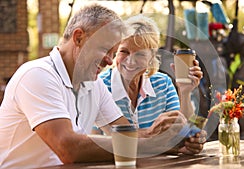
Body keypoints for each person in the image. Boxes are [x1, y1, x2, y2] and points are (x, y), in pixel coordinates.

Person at [0, 4, 130, 168]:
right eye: (105, 49)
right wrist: (138, 146)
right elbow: (68, 149)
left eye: (113, 53)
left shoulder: (95, 84)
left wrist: (162, 137)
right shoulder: (36, 74)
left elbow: (126, 132)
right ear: (78, 38)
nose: (110, 61)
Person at [99, 14, 206, 155]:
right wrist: (160, 139)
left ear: (151, 58)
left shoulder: (163, 83)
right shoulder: (100, 86)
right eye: (124, 51)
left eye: (140, 54)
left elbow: (180, 129)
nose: (130, 61)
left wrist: (185, 92)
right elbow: (98, 140)